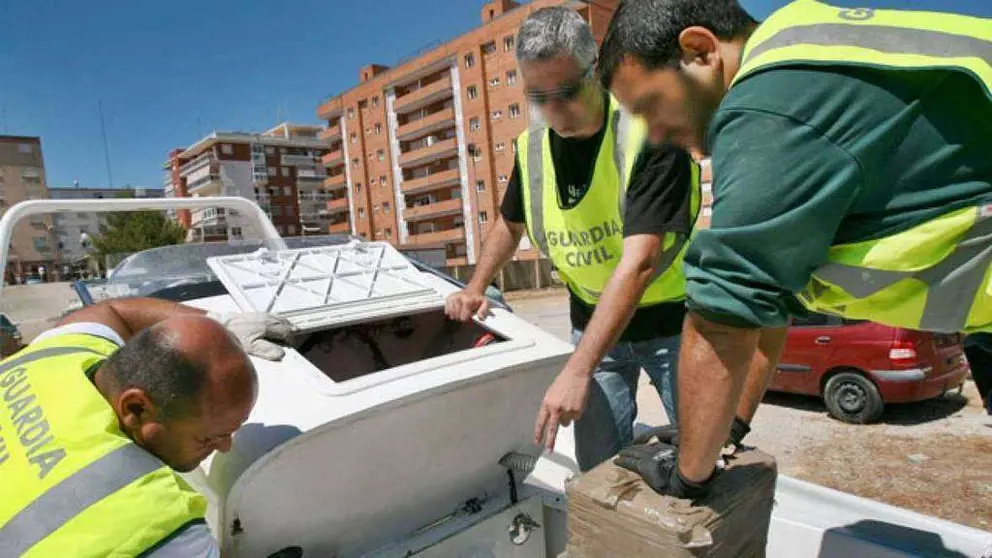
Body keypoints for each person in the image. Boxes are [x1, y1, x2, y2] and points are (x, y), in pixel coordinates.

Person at [597, 0, 991, 498]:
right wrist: (726, 430)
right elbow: (768, 304)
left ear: (699, 51)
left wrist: (687, 474)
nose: (653, 135)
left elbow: (725, 315)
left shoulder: (769, 100)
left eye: (650, 107)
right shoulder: (802, 43)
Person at [444, 6, 700, 471]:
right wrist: (476, 284)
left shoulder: (651, 133)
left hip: (674, 323)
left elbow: (640, 261)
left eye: (565, 92)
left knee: (704, 455)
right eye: (537, 96)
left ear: (595, 68)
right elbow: (510, 223)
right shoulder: (532, 147)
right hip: (591, 324)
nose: (553, 109)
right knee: (599, 467)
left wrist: (577, 369)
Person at [0, 297, 292, 556]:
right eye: (209, 437)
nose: (226, 447)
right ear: (136, 409)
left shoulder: (61, 353)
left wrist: (219, 322)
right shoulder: (151, 520)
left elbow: (113, 310)